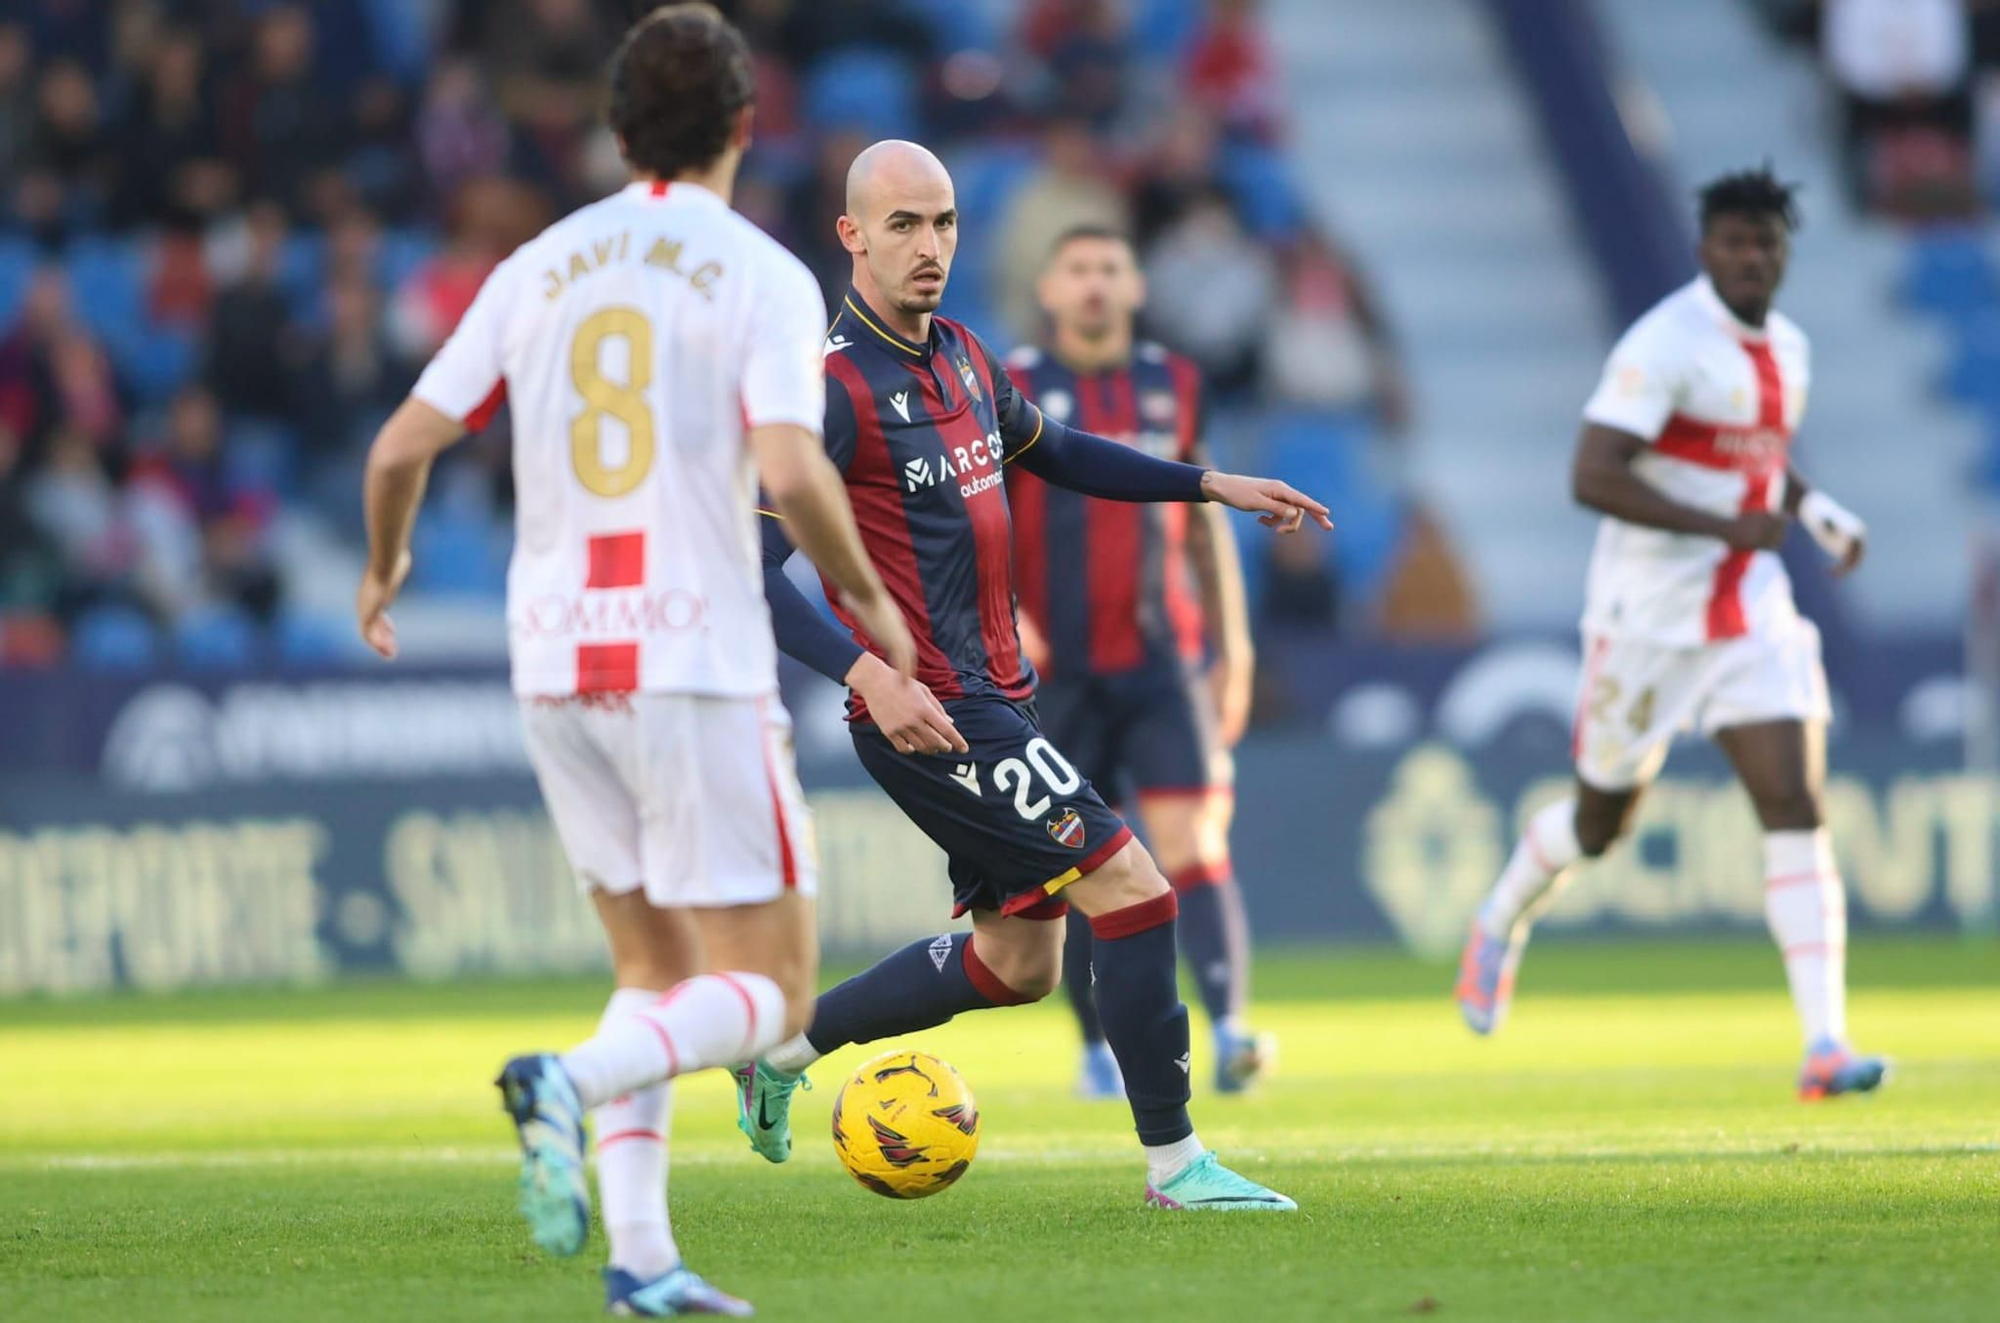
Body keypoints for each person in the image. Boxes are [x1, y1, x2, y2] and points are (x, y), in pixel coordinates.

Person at [354, 7, 915, 1315]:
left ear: (614, 133)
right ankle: (568, 1078)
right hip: (694, 658)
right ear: (743, 124)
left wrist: (382, 566)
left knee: (655, 978)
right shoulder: (764, 276)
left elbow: (396, 448)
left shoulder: (538, 264)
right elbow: (787, 465)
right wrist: (866, 596)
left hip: (556, 663)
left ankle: (645, 1261)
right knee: (771, 993)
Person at [740, 137, 1331, 1212]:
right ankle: (1175, 1166)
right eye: (904, 225)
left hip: (998, 695)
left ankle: (782, 1049)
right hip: (933, 710)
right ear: (851, 235)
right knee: (1137, 891)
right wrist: (868, 674)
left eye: (945, 222)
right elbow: (749, 565)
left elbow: (1052, 448)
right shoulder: (825, 389)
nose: (929, 246)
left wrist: (1209, 483)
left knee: (1019, 965)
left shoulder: (962, 353)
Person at [1453, 167, 1888, 1103]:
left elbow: (1764, 461)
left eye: (1766, 243)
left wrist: (1821, 517)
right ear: (1705, 250)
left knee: (1795, 803)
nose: (1750, 257)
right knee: (1600, 824)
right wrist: (1728, 529)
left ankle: (1825, 1043)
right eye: (1734, 241)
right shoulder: (1664, 344)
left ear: (1784, 252)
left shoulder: (1792, 350)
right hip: (1645, 619)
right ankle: (1498, 920)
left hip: (1750, 612)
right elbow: (1592, 474)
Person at [1002, 224, 1267, 1099]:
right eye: (1077, 269)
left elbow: (1201, 519)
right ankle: (1095, 1050)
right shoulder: (1013, 387)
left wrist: (1235, 646)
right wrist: (1002, 616)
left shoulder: (1175, 382)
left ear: (1135, 286)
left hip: (1165, 662)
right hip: (1059, 670)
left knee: (1197, 840)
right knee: (1085, 857)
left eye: (1111, 267)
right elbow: (981, 518)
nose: (1094, 285)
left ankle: (1230, 1029)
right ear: (1050, 289)